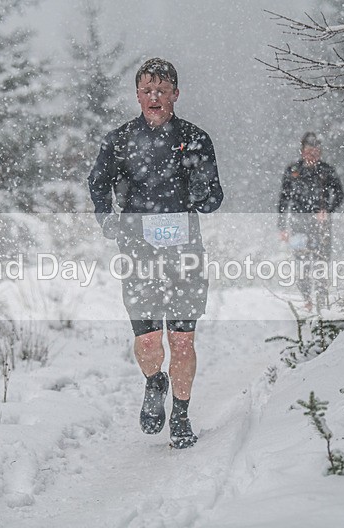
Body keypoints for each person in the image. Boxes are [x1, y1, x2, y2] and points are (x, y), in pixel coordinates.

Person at [87, 58, 223, 449]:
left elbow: (214, 198)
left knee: (182, 341)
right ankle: (154, 382)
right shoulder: (119, 140)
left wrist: (197, 190)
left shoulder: (195, 139)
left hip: (185, 254)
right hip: (138, 252)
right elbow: (98, 185)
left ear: (175, 95)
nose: (155, 97)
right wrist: (107, 219)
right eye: (147, 90)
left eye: (162, 90)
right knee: (148, 343)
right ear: (137, 95)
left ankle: (180, 414)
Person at [277, 132, 344, 311]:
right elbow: (284, 201)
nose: (312, 155)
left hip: (321, 225)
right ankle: (307, 300)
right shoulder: (293, 171)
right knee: (302, 265)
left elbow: (338, 194)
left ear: (320, 152)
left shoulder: (326, 171)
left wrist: (327, 210)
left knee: (322, 262)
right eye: (308, 150)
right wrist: (282, 227)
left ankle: (322, 301)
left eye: (316, 151)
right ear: (302, 151)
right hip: (299, 225)